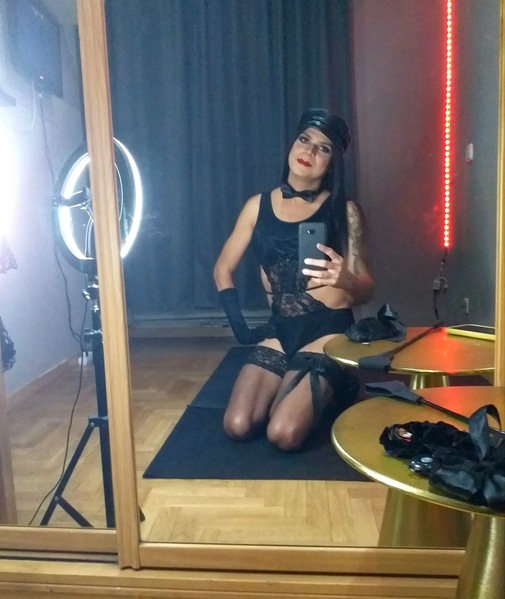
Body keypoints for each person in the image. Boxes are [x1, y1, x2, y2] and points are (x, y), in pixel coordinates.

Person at [213, 108, 374, 451]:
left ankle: (339, 382)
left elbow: (366, 290)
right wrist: (241, 328)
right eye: (304, 140)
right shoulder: (257, 206)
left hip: (327, 331)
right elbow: (222, 268)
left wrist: (345, 279)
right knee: (237, 425)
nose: (309, 151)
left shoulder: (345, 211)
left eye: (323, 148)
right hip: (279, 329)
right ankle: (304, 385)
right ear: (292, 145)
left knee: (283, 433)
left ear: (331, 163)